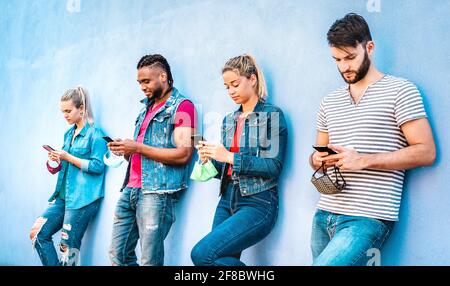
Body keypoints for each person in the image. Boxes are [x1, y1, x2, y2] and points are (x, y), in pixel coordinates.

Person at [309, 13, 436, 266]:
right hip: (324, 214)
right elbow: (315, 160)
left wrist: (363, 161)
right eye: (337, 60)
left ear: (369, 48)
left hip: (367, 217)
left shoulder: (401, 90)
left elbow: (426, 152)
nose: (344, 66)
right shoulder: (329, 101)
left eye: (350, 58)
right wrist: (317, 158)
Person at [190, 54, 288, 266]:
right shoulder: (228, 120)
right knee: (218, 260)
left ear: (252, 79)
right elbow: (227, 167)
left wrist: (228, 156)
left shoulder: (272, 115)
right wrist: (210, 157)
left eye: (235, 84)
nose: (231, 91)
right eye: (227, 87)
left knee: (201, 255)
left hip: (258, 202)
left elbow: (273, 166)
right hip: (227, 199)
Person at [108, 54, 197, 266]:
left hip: (156, 193)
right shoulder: (145, 109)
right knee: (117, 255)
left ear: (163, 76)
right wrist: (127, 150)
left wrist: (137, 147)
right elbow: (145, 150)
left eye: (146, 81)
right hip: (130, 190)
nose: (142, 87)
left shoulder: (183, 107)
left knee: (150, 261)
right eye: (139, 82)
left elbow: (184, 154)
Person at [29, 86, 107, 266]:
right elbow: (64, 166)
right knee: (38, 234)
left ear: (81, 109)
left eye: (68, 110)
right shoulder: (68, 133)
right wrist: (55, 159)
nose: (65, 115)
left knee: (68, 248)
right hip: (63, 198)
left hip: (82, 201)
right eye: (62, 111)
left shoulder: (95, 134)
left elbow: (97, 166)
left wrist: (68, 157)